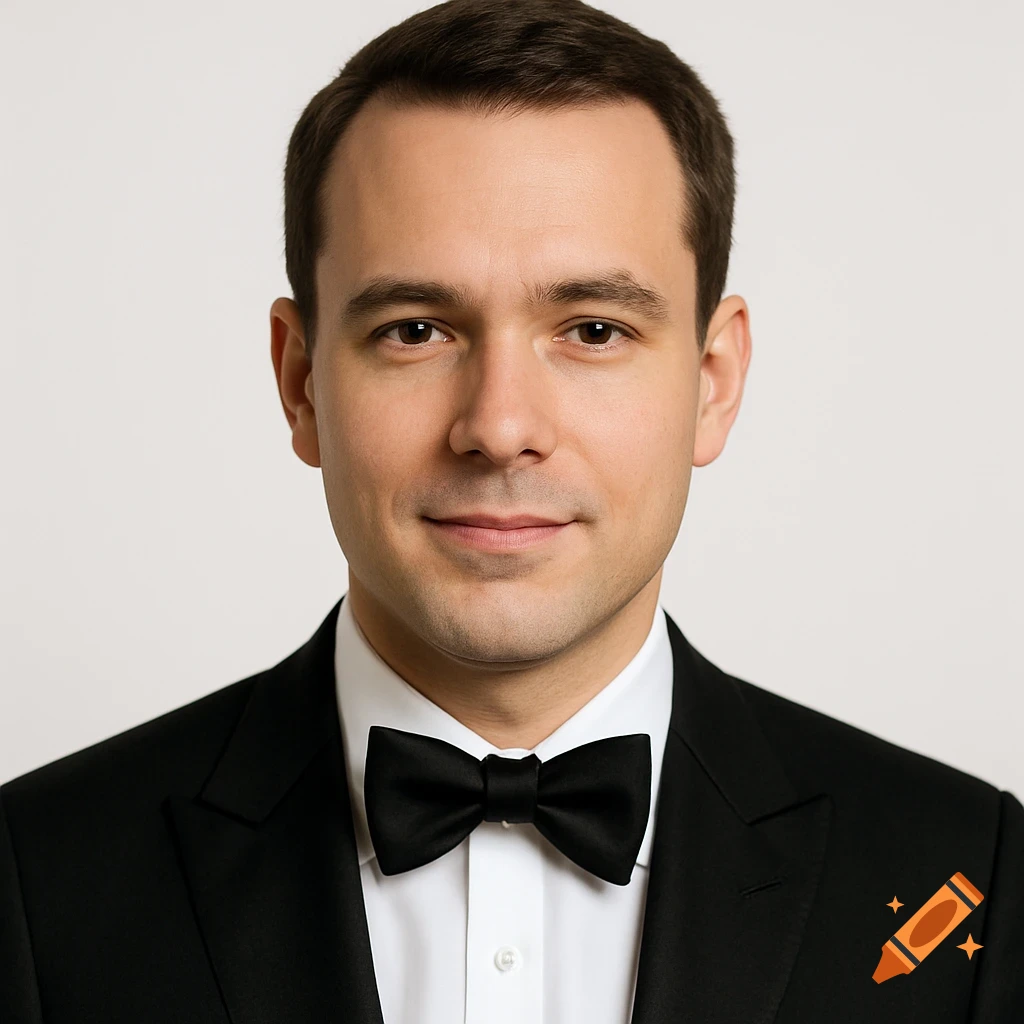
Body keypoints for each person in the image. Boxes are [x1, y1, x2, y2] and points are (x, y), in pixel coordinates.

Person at [1, 0, 1021, 1020]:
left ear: (711, 381)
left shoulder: (966, 873)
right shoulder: (36, 881)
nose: (498, 425)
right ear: (301, 381)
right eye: (414, 329)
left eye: (591, 327)